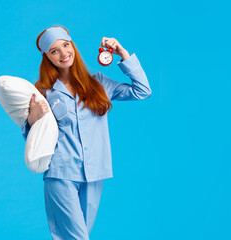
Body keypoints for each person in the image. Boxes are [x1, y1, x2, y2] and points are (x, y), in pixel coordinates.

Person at [22, 26, 151, 239]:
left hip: (95, 172)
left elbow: (142, 91)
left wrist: (123, 55)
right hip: (60, 172)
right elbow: (32, 137)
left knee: (77, 235)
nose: (63, 54)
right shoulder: (43, 91)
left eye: (66, 45)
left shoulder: (98, 82)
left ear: (72, 45)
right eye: (54, 51)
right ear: (47, 57)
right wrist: (33, 117)